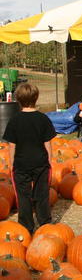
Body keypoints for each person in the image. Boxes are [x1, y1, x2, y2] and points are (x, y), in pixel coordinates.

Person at [2, 83, 56, 234]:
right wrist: (49, 161)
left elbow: (12, 145)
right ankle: (45, 223)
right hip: (40, 163)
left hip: (21, 164)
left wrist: (11, 163)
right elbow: (48, 143)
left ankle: (26, 227)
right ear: (36, 98)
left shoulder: (15, 120)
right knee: (42, 194)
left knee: (23, 196)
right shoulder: (43, 119)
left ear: (18, 99)